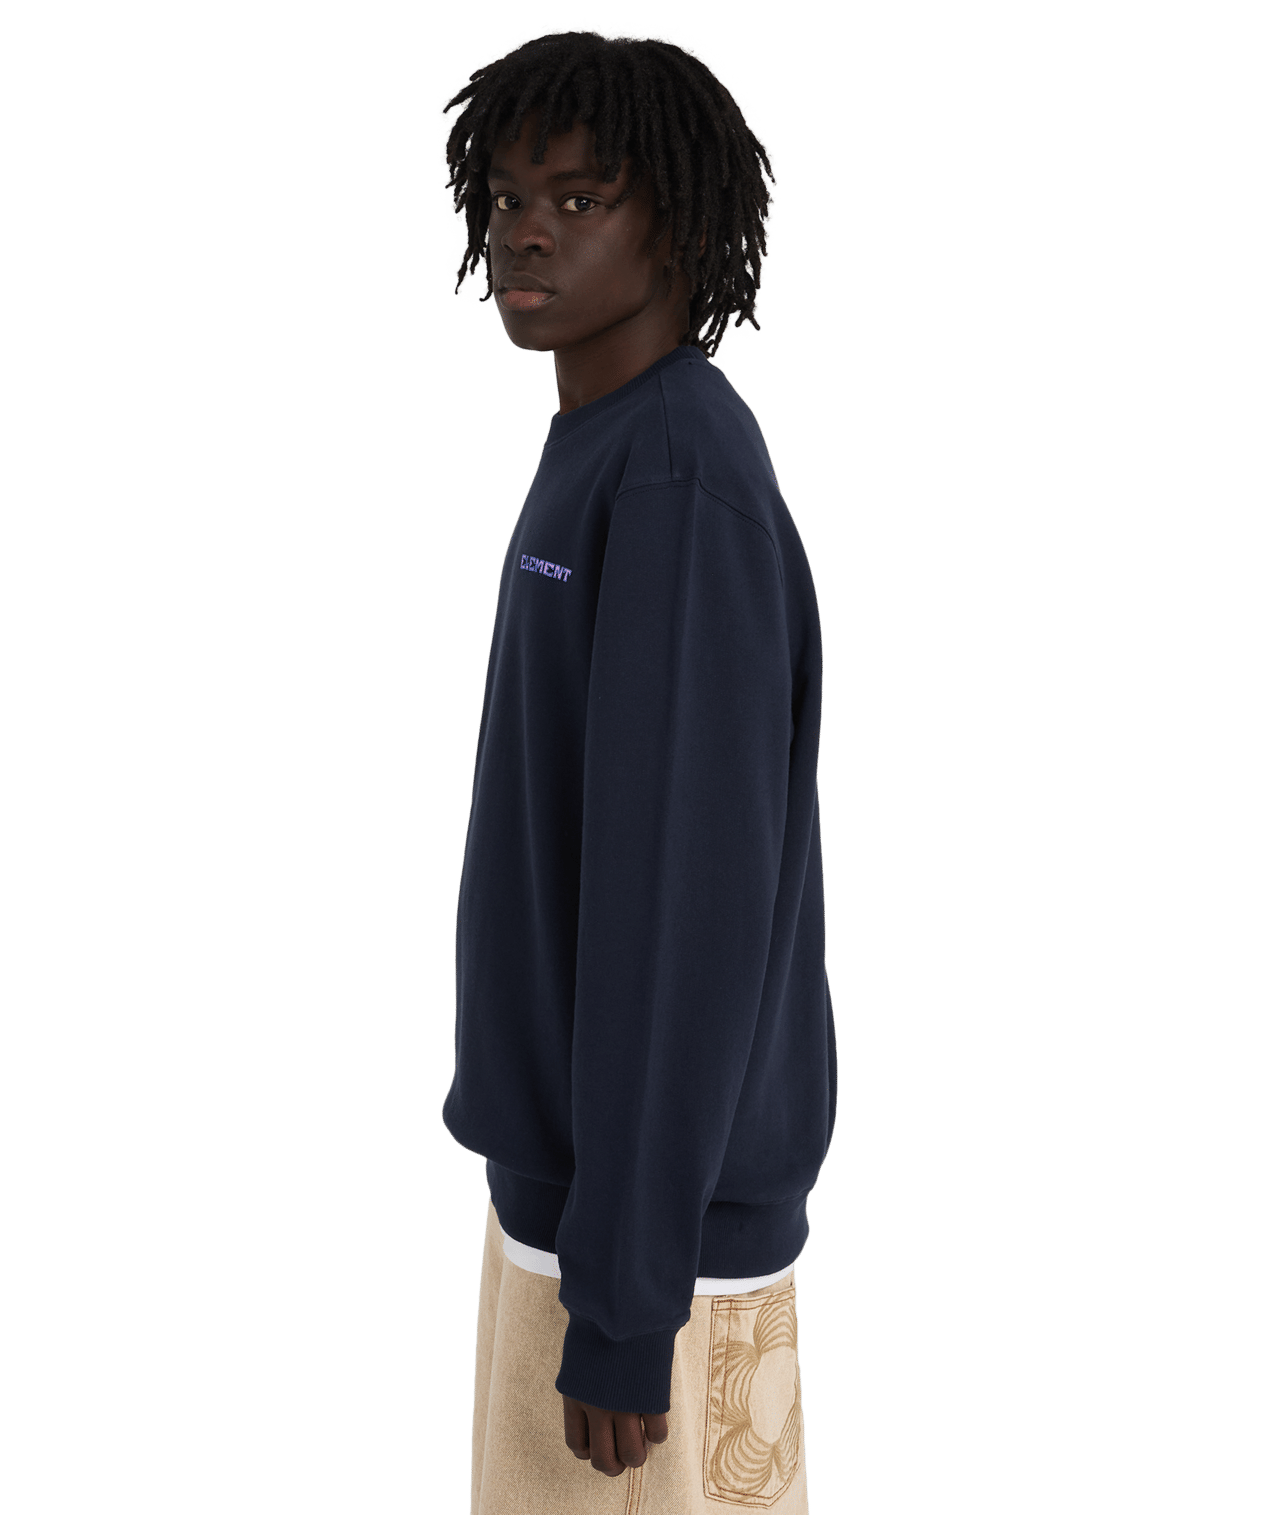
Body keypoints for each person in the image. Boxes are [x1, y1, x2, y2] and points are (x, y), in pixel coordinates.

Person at [437, 25, 838, 1514]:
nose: (523, 229)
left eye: (580, 197)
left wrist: (624, 1300)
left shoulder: (674, 477)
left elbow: (680, 907)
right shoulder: (607, 445)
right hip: (583, 1212)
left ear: (676, 224)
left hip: (645, 1253)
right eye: (505, 195)